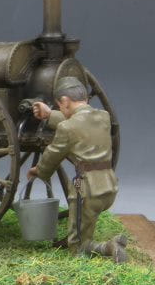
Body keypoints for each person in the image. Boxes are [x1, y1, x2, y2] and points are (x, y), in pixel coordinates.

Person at [27, 76, 126, 262]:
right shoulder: (104, 117)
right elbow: (80, 122)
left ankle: (110, 246)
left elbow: (53, 154)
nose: (61, 109)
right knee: (84, 226)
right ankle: (93, 239)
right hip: (109, 186)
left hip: (87, 191)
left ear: (64, 101)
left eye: (60, 106)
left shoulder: (67, 128)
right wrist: (49, 114)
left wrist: (39, 171)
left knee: (77, 247)